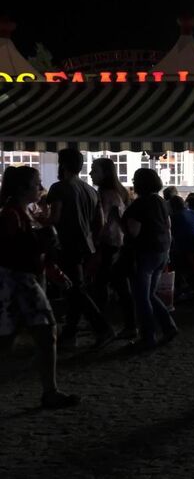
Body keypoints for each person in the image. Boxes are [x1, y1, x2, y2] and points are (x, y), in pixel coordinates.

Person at [0, 166, 79, 409]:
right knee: (43, 333)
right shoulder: (13, 215)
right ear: (24, 188)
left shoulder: (22, 212)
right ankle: (50, 391)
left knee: (13, 337)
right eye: (36, 184)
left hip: (18, 281)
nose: (41, 188)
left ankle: (50, 391)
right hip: (18, 280)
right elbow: (11, 251)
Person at [46, 148, 115, 349]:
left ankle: (102, 328)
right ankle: (69, 335)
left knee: (75, 289)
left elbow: (55, 218)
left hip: (67, 244)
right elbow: (99, 222)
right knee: (76, 288)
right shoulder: (90, 190)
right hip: (86, 245)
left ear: (63, 165)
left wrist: (40, 220)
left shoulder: (59, 188)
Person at [123, 168, 178, 349]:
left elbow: (134, 231)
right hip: (161, 251)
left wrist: (118, 220)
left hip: (145, 252)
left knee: (141, 296)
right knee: (150, 294)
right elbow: (168, 226)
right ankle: (168, 326)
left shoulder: (140, 204)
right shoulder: (162, 201)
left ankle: (148, 335)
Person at [89, 157, 136, 340]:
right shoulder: (118, 192)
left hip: (109, 243)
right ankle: (125, 324)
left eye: (94, 169)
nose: (91, 173)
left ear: (105, 173)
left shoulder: (107, 194)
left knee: (103, 285)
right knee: (117, 285)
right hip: (117, 242)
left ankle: (102, 326)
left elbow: (105, 222)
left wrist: (96, 241)